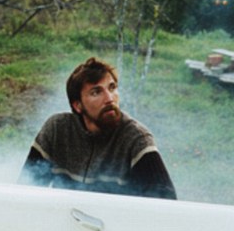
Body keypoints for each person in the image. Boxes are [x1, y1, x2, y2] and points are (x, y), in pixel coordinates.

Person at [19, 57, 176, 199]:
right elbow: (26, 188)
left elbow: (166, 200)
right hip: (64, 216)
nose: (109, 98)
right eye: (96, 92)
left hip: (114, 220)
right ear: (78, 105)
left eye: (112, 88)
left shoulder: (136, 138)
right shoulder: (57, 129)